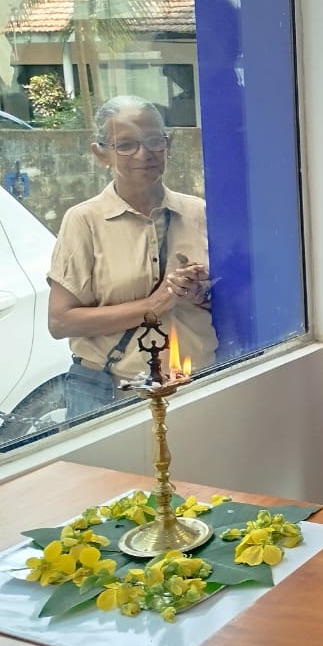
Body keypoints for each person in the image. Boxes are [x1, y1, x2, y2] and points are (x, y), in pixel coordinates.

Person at [48, 96, 217, 417]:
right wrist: (154, 304)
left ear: (168, 144)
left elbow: (229, 300)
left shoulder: (199, 212)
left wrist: (198, 294)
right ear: (101, 154)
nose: (144, 154)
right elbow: (60, 321)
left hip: (200, 386)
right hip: (116, 397)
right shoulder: (84, 220)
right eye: (126, 145)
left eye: (154, 141)